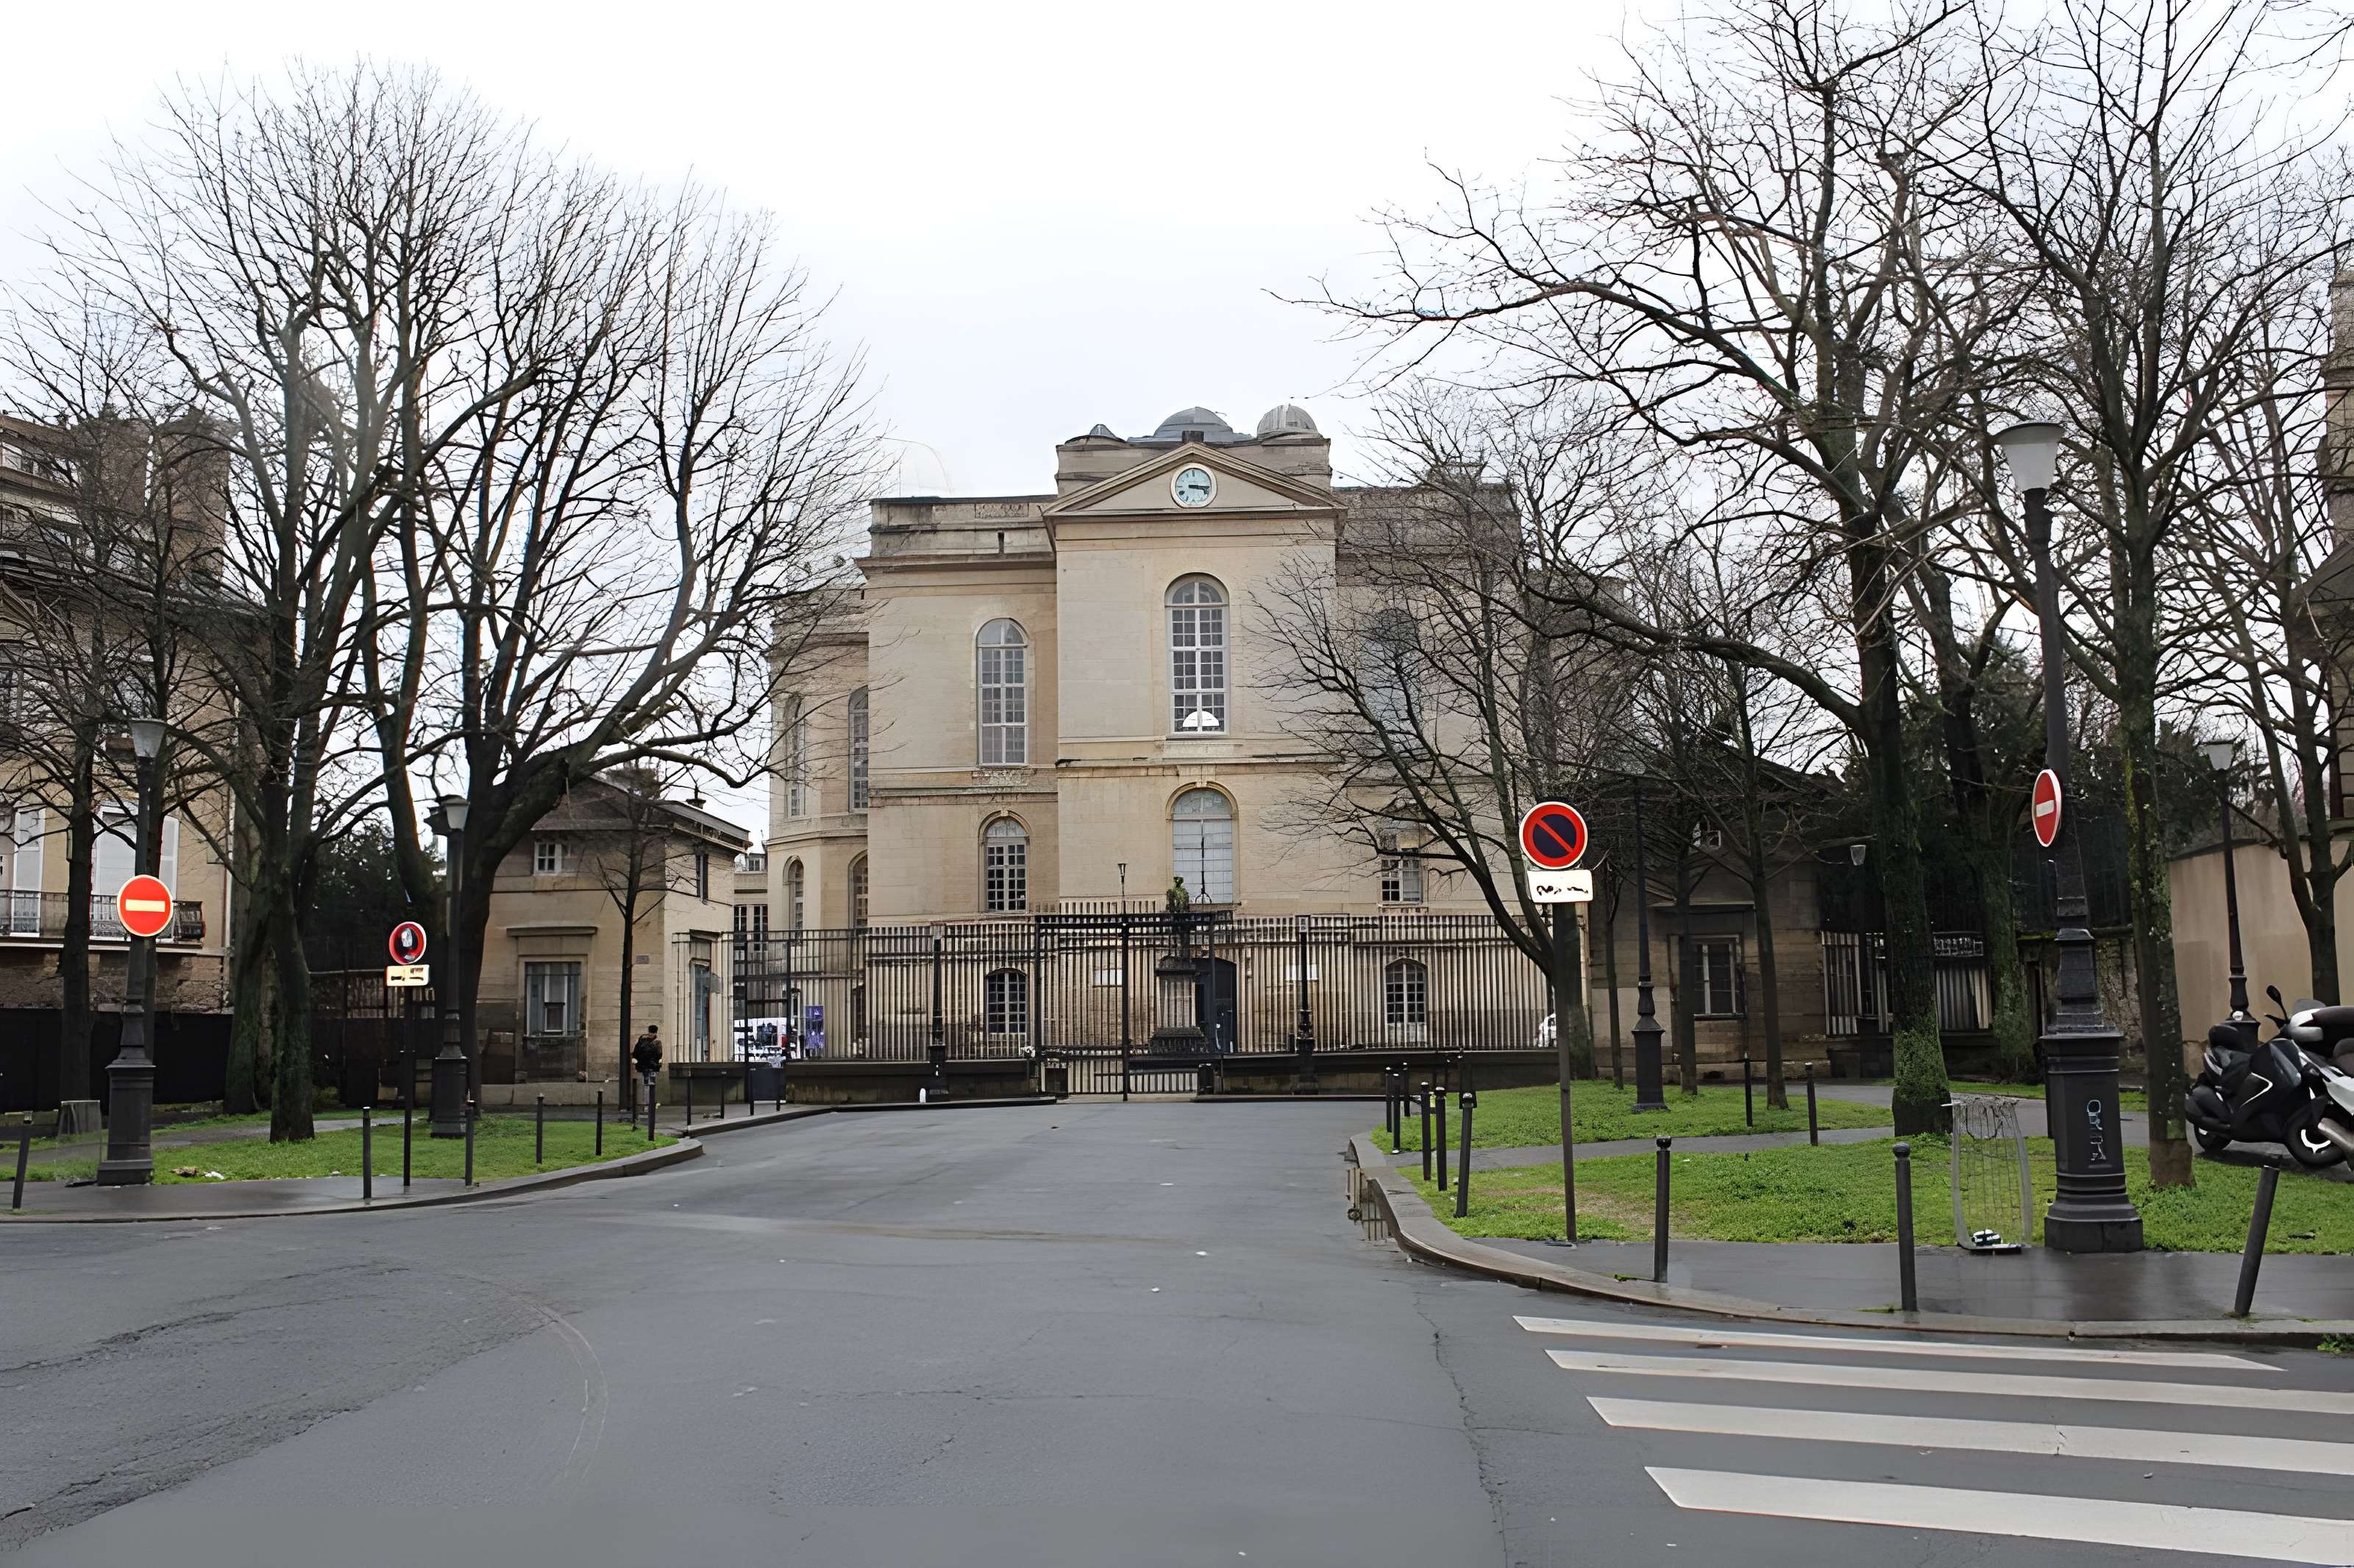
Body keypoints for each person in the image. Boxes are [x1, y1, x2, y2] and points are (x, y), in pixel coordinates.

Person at [632, 1026, 662, 1122]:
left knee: (649, 1084)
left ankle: (648, 1104)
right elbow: (659, 1054)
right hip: (649, 1066)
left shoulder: (644, 1041)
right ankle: (648, 1104)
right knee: (648, 1084)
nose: (651, 1034)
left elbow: (636, 1052)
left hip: (649, 1066)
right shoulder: (655, 1042)